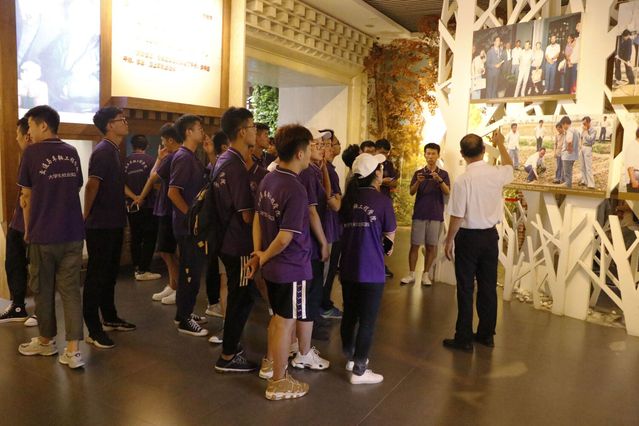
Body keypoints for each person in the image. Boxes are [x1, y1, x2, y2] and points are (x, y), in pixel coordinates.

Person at [247, 124, 314, 400]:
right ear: (299, 153)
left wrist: (258, 253)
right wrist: (263, 255)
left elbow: (257, 218)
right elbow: (286, 237)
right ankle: (279, 381)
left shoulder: (269, 178)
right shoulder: (295, 188)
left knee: (277, 319)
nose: (312, 152)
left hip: (273, 265)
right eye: (310, 147)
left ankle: (270, 365)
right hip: (290, 266)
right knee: (286, 322)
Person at [17, 105, 86, 368]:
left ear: (43, 125)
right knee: (71, 291)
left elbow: (26, 196)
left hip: (43, 234)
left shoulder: (31, 153)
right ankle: (73, 351)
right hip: (73, 233)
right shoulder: (71, 152)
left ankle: (46, 341)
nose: (29, 132)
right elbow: (75, 186)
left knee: (43, 290)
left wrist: (28, 230)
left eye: (31, 126)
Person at [442, 131, 513, 352]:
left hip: (468, 238)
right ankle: (486, 335)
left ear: (462, 154)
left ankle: (463, 338)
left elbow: (458, 215)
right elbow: (510, 166)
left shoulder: (463, 180)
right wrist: (500, 144)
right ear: (483, 150)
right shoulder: (496, 174)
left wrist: (449, 240)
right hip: (490, 238)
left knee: (465, 288)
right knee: (488, 287)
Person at [339, 153, 397, 383]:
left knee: (350, 314)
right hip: (371, 269)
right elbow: (389, 237)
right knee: (368, 320)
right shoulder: (382, 201)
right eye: (380, 168)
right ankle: (360, 370)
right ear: (376, 174)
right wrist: (385, 248)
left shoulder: (348, 200)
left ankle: (351, 357)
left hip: (348, 267)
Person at [212, 107, 260, 373]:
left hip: (225, 240)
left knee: (242, 294)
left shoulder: (222, 159)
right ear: (242, 132)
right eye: (253, 127)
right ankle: (228, 355)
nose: (255, 131)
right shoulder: (237, 167)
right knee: (240, 298)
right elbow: (246, 214)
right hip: (238, 243)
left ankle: (231, 348)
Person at [83, 107, 135, 350]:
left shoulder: (114, 150)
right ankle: (93, 329)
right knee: (96, 276)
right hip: (100, 225)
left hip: (113, 222)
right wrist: (86, 215)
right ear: (109, 125)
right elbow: (92, 185)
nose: (125, 122)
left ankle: (110, 317)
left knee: (110, 274)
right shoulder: (103, 151)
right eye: (121, 120)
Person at [167, 114, 209, 337]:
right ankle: (184, 319)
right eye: (199, 128)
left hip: (192, 226)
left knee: (192, 271)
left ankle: (184, 312)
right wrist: (191, 216)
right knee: (190, 272)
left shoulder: (192, 156)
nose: (202, 131)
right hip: (187, 227)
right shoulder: (183, 157)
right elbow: (173, 192)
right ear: (188, 132)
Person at [136, 124, 181, 304]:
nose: (162, 144)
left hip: (169, 210)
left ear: (170, 140)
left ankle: (178, 287)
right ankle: (173, 285)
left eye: (163, 140)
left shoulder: (173, 157)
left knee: (168, 251)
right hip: (166, 208)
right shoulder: (174, 156)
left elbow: (153, 176)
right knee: (165, 251)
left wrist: (159, 159)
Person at [1, 117, 36, 325]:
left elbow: (29, 195)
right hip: (19, 221)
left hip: (32, 223)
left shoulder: (34, 156)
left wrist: (29, 227)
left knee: (40, 267)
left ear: (27, 135)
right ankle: (18, 306)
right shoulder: (27, 156)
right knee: (14, 262)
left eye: (17, 135)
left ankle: (41, 310)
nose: (16, 139)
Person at [400, 143, 450, 286]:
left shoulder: (443, 174)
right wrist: (418, 182)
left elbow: (447, 191)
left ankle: (426, 274)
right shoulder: (418, 173)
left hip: (436, 215)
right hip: (419, 214)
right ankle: (411, 274)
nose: (430, 156)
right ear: (425, 155)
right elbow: (411, 192)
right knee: (414, 245)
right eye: (428, 153)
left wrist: (439, 179)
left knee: (431, 246)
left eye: (433, 153)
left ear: (438, 155)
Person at [124, 134, 161, 281]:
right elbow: (154, 182)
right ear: (147, 146)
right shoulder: (152, 161)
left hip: (132, 206)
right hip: (149, 205)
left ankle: (136, 268)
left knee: (135, 237)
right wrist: (141, 198)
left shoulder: (124, 162)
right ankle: (144, 269)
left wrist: (134, 198)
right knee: (149, 238)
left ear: (132, 145)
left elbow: (121, 184)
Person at [204, 131, 230, 323]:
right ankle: (214, 304)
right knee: (216, 267)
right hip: (217, 226)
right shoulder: (221, 164)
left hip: (220, 226)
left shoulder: (224, 163)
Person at [320, 130, 344, 319]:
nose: (329, 148)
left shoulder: (328, 170)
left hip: (329, 228)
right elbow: (335, 204)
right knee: (325, 272)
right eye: (325, 145)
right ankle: (322, 306)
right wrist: (336, 198)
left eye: (330, 144)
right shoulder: (325, 171)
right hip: (326, 229)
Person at [375, 138, 398, 278]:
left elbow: (394, 183)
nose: (384, 155)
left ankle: (381, 264)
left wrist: (386, 183)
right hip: (373, 202)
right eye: (381, 152)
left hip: (385, 201)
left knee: (385, 234)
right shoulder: (372, 163)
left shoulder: (389, 164)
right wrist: (382, 181)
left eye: (386, 153)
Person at [560, 116, 579, 188]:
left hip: (567, 156)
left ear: (565, 123)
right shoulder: (575, 130)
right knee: (569, 173)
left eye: (562, 125)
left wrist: (569, 148)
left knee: (567, 175)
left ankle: (568, 189)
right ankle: (569, 187)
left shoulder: (569, 130)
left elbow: (569, 141)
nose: (563, 127)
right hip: (573, 156)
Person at [578, 116, 597, 188]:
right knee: (582, 166)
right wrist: (580, 145)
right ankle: (584, 181)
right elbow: (581, 137)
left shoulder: (593, 130)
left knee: (588, 167)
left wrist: (585, 131)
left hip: (588, 148)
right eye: (583, 123)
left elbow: (590, 139)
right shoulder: (583, 129)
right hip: (582, 147)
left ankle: (591, 184)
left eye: (585, 123)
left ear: (589, 122)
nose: (583, 125)